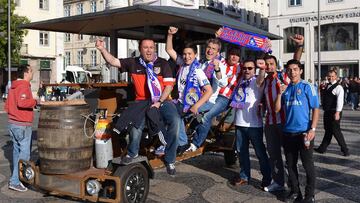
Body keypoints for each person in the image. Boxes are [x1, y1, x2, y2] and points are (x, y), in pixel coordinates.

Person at [96, 38, 180, 175]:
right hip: (141, 101)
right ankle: (133, 152)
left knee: (175, 121)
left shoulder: (163, 63)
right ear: (140, 49)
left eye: (151, 47)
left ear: (155, 49)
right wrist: (102, 49)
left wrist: (159, 102)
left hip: (163, 100)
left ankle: (170, 159)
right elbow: (113, 62)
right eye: (145, 47)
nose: (149, 50)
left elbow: (169, 86)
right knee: (136, 124)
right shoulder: (133, 62)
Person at [166, 27, 223, 154]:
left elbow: (217, 83)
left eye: (189, 54)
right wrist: (170, 35)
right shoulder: (193, 63)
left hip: (202, 100)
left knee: (185, 116)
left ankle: (188, 143)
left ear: (195, 55)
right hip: (186, 99)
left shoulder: (208, 66)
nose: (186, 57)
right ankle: (174, 140)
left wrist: (196, 105)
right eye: (185, 54)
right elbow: (169, 50)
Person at [262, 34, 304, 192]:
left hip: (285, 122)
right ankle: (279, 182)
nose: (269, 67)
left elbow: (295, 61)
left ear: (275, 65)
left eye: (271, 64)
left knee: (289, 157)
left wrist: (299, 46)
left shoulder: (283, 76)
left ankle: (294, 185)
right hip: (270, 123)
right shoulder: (264, 81)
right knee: (274, 156)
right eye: (266, 64)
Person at [275, 59, 319, 203]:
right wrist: (280, 94)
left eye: (295, 69)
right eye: (290, 70)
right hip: (288, 132)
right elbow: (276, 109)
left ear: (300, 70)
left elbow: (316, 109)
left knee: (307, 165)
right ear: (287, 72)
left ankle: (309, 194)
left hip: (304, 133)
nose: (292, 72)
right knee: (290, 164)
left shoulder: (308, 86)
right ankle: (295, 191)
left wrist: (312, 129)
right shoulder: (285, 89)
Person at [186, 46, 241, 152]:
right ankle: (191, 130)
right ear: (228, 54)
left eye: (237, 55)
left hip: (225, 98)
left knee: (206, 117)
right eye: (232, 54)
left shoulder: (241, 68)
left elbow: (254, 67)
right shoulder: (220, 62)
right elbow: (211, 57)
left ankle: (196, 144)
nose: (234, 57)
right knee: (193, 110)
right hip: (212, 94)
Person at [231, 59, 271, 189]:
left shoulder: (257, 81)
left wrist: (262, 68)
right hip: (239, 123)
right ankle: (244, 176)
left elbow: (260, 78)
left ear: (254, 70)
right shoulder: (239, 81)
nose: (247, 70)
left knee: (260, 153)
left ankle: (267, 178)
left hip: (254, 125)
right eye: (245, 68)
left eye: (250, 68)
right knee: (242, 153)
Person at [5, 64, 37, 192]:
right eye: (31, 71)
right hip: (22, 124)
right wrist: (35, 102)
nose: (32, 73)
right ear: (26, 73)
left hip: (13, 123)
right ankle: (15, 181)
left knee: (17, 153)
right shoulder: (23, 85)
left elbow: (7, 106)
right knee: (24, 155)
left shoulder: (13, 86)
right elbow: (22, 102)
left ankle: (18, 178)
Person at [315, 70, 349, 156]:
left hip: (334, 112)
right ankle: (322, 148)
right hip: (327, 112)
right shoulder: (327, 85)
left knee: (336, 131)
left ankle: (345, 150)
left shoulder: (339, 87)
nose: (330, 78)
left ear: (336, 77)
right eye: (329, 76)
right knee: (328, 131)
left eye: (333, 76)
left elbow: (340, 101)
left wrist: (337, 112)